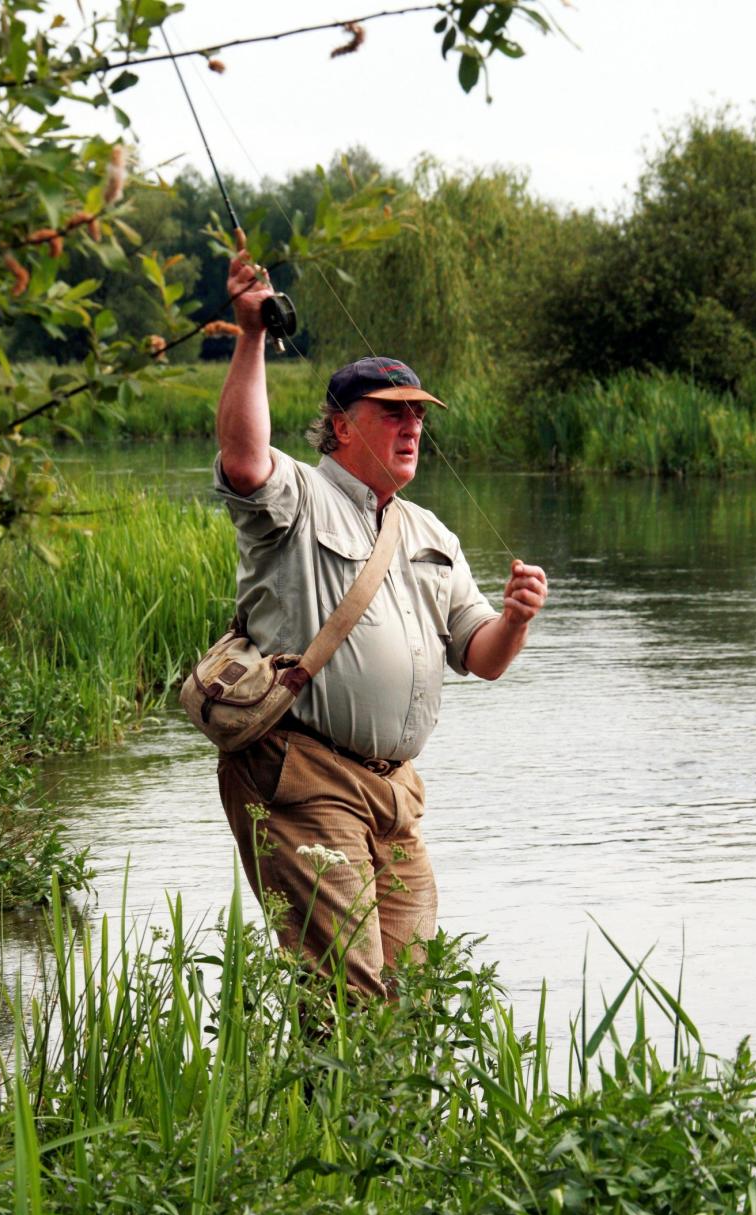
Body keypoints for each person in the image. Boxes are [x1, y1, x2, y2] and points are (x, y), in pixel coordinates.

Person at [214, 249, 548, 999]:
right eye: (391, 412)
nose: (411, 427)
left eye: (418, 414)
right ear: (339, 426)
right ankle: (312, 1114)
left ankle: (387, 1120)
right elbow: (241, 457)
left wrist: (519, 618)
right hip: (304, 776)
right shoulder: (295, 497)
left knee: (420, 991)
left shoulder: (431, 531)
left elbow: (482, 656)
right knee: (346, 990)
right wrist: (251, 334)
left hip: (395, 794)